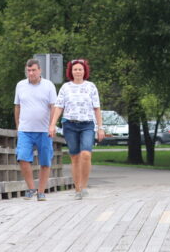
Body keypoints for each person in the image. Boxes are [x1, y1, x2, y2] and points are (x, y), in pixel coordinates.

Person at [49, 58, 105, 199]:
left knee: (85, 154)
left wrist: (100, 128)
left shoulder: (91, 87)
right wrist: (52, 125)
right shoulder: (65, 87)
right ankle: (77, 189)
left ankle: (84, 186)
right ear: (71, 72)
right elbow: (59, 107)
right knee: (74, 157)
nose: (78, 72)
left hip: (87, 124)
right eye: (75, 69)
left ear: (85, 71)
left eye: (80, 69)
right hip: (70, 125)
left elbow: (97, 108)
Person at [14, 58, 57, 200]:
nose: (31, 73)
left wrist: (52, 125)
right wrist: (18, 125)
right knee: (22, 157)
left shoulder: (48, 85)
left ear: (40, 70)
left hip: (44, 130)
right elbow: (17, 106)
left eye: (33, 70)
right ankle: (31, 188)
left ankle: (41, 191)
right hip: (25, 129)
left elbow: (53, 107)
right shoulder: (20, 85)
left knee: (45, 161)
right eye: (28, 70)